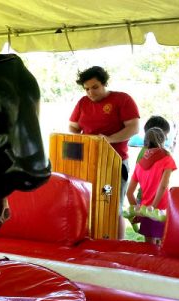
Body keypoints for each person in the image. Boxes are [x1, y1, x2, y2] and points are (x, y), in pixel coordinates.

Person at [69, 66, 140, 239]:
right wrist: (79, 139)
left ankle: (117, 245)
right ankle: (91, 241)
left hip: (113, 164)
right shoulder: (82, 103)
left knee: (110, 204)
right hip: (87, 163)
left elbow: (134, 127)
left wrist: (109, 139)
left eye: (95, 87)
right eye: (86, 89)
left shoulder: (122, 99)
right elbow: (73, 126)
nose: (90, 92)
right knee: (88, 203)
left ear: (104, 83)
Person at [126, 127, 177, 245]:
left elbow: (129, 193)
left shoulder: (140, 164)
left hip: (146, 210)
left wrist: (138, 210)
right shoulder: (167, 159)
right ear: (163, 140)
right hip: (162, 210)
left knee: (149, 249)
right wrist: (153, 207)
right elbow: (163, 185)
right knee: (163, 248)